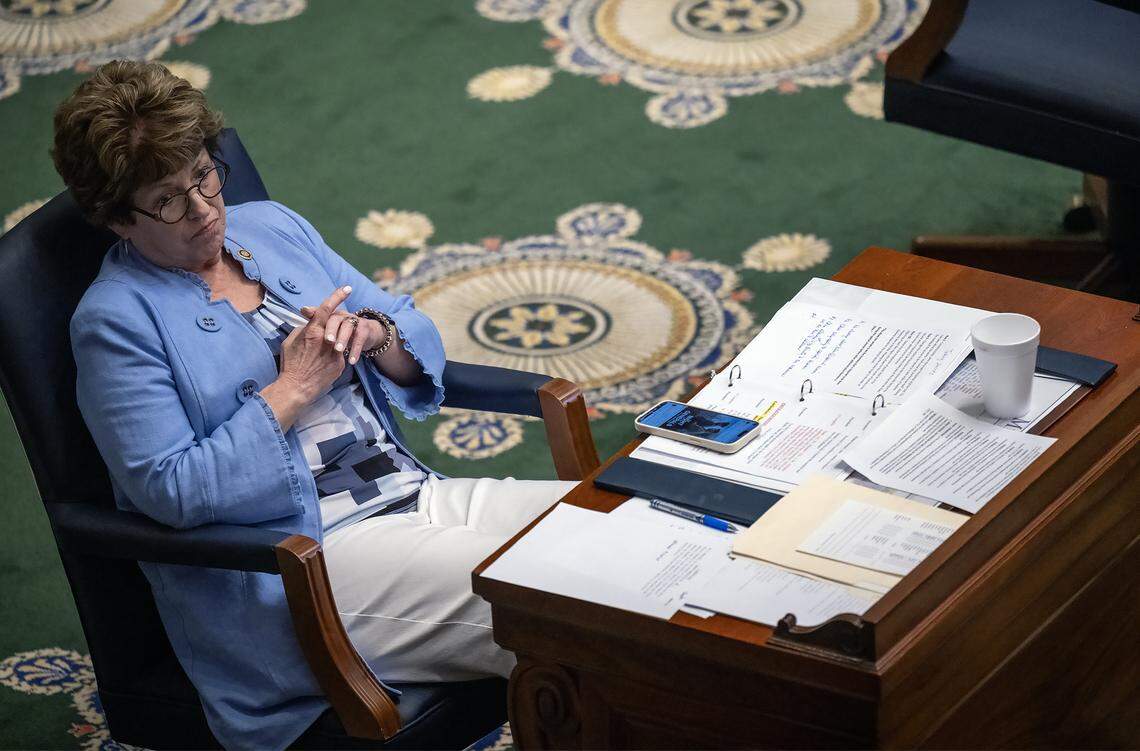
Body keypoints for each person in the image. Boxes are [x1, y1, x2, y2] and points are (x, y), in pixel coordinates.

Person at [54, 60, 576, 750]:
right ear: (119, 217)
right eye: (170, 201)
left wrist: (375, 335)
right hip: (308, 563)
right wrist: (292, 388)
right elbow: (171, 488)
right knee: (561, 603)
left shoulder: (268, 226)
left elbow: (401, 317)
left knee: (616, 541)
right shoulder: (115, 323)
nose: (206, 209)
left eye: (205, 175)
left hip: (412, 494)